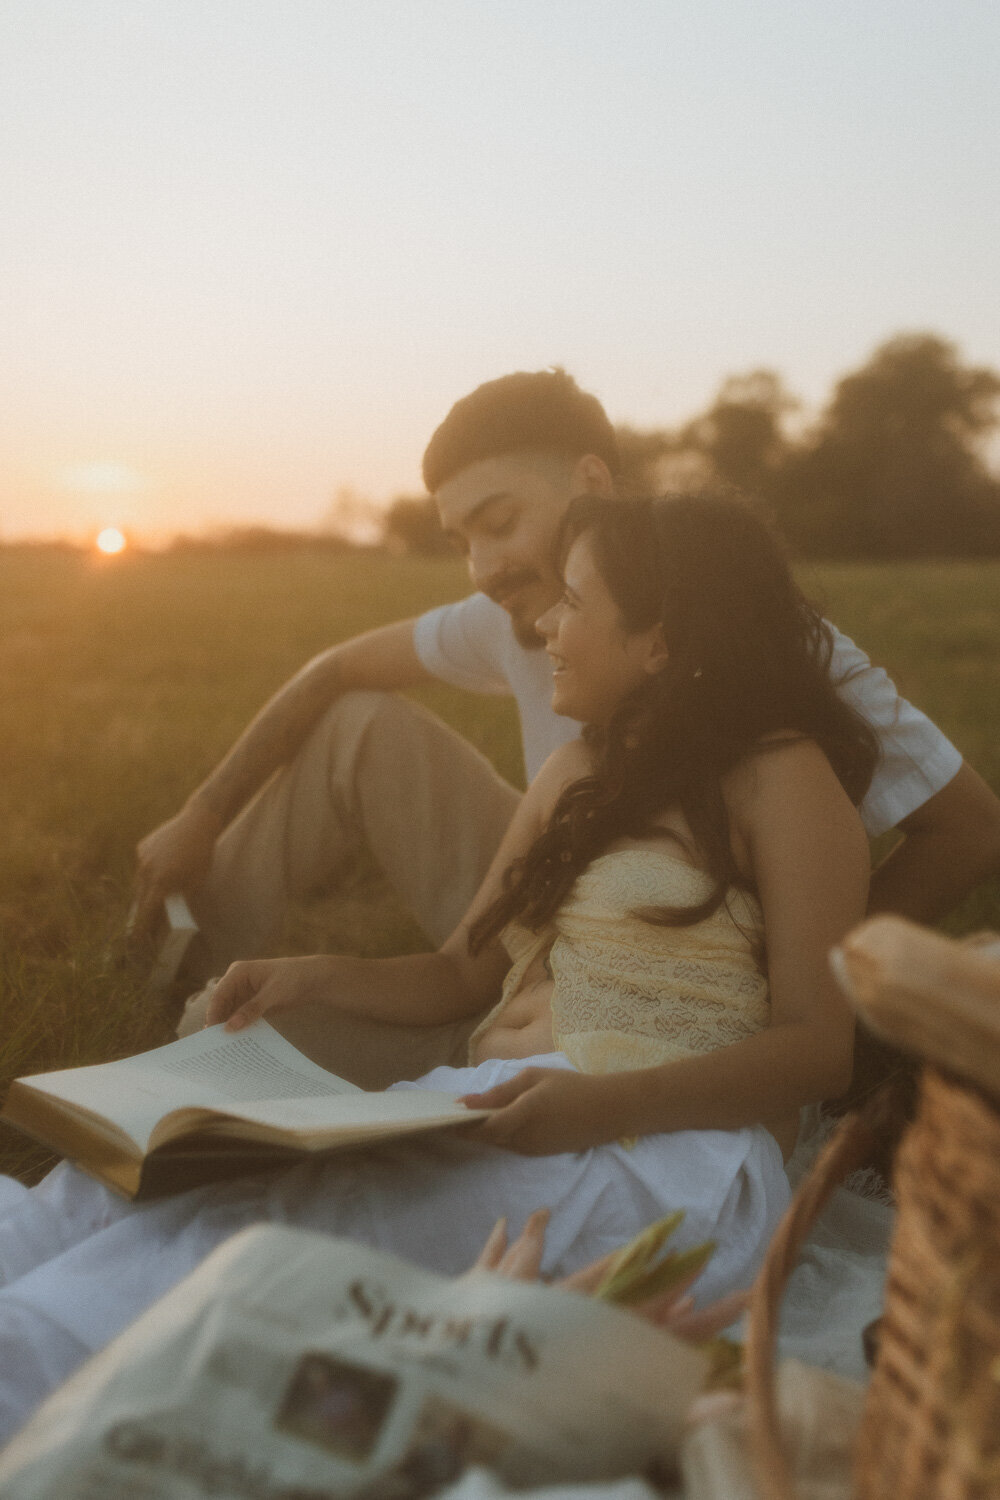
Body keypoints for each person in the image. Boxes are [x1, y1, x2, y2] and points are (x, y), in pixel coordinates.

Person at [0, 491, 871, 1440]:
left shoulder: (782, 777)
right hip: (502, 1100)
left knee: (274, 1240)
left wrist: (602, 1105)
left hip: (669, 1150)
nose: (545, 623)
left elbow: (819, 1048)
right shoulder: (580, 772)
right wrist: (312, 972)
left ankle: (35, 1387)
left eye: (574, 602)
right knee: (135, 1180)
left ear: (659, 642)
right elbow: (459, 974)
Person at [134, 371, 1000, 1087]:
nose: (484, 568)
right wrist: (202, 815)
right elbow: (333, 670)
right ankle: (183, 960)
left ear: (590, 483)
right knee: (357, 726)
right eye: (460, 540)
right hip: (537, 894)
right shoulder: (514, 618)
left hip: (686, 948)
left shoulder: (755, 642)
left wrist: (770, 979)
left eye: (501, 523)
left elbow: (970, 828)